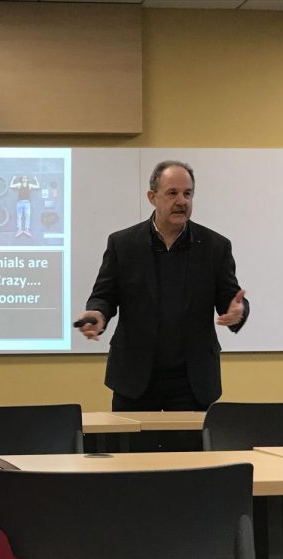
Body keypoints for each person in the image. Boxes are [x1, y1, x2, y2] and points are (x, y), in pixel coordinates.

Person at [76, 160, 249, 412]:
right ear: (152, 197)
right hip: (135, 378)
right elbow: (104, 295)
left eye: (187, 194)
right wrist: (97, 313)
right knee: (132, 451)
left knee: (191, 451)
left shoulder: (215, 247)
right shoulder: (123, 244)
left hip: (193, 381)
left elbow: (229, 299)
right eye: (172, 193)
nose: (182, 201)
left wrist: (238, 311)